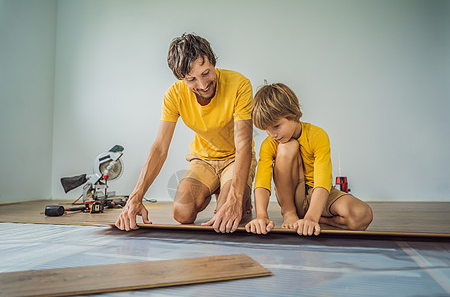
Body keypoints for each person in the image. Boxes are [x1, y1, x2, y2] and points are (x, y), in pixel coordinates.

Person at [115, 33, 256, 233]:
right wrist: (135, 197)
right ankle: (218, 186)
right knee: (182, 213)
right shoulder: (174, 95)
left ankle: (235, 193)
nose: (202, 84)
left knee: (225, 215)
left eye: (206, 73)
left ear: (213, 62)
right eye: (191, 80)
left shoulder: (240, 84)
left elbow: (243, 144)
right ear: (181, 79)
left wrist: (234, 198)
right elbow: (160, 147)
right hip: (203, 160)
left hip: (235, 157)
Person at [245, 83, 373, 236]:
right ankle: (289, 212)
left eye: (276, 126)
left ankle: (318, 218)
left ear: (293, 114)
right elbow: (262, 182)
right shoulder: (270, 144)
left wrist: (312, 218)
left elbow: (322, 181)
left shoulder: (317, 135)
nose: (272, 134)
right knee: (287, 146)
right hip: (292, 197)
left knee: (363, 214)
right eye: (266, 129)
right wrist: (261, 216)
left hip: (319, 195)